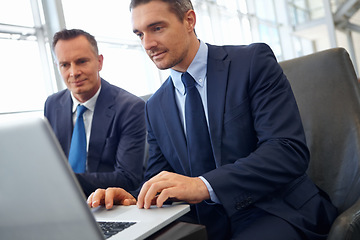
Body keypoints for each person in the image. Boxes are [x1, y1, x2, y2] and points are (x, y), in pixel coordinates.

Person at [87, 1, 338, 239]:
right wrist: (132, 197)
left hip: (276, 210)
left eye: (157, 28)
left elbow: (286, 150)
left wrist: (204, 186)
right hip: (208, 224)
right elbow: (161, 176)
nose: (148, 44)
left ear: (189, 20)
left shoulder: (251, 62)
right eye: (139, 34)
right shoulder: (155, 106)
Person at [44, 29, 146, 197]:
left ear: (99, 62)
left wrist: (65, 181)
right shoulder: (53, 104)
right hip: (60, 201)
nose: (73, 72)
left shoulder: (130, 108)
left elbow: (128, 178)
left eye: (82, 61)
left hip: (108, 204)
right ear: (57, 66)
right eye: (65, 65)